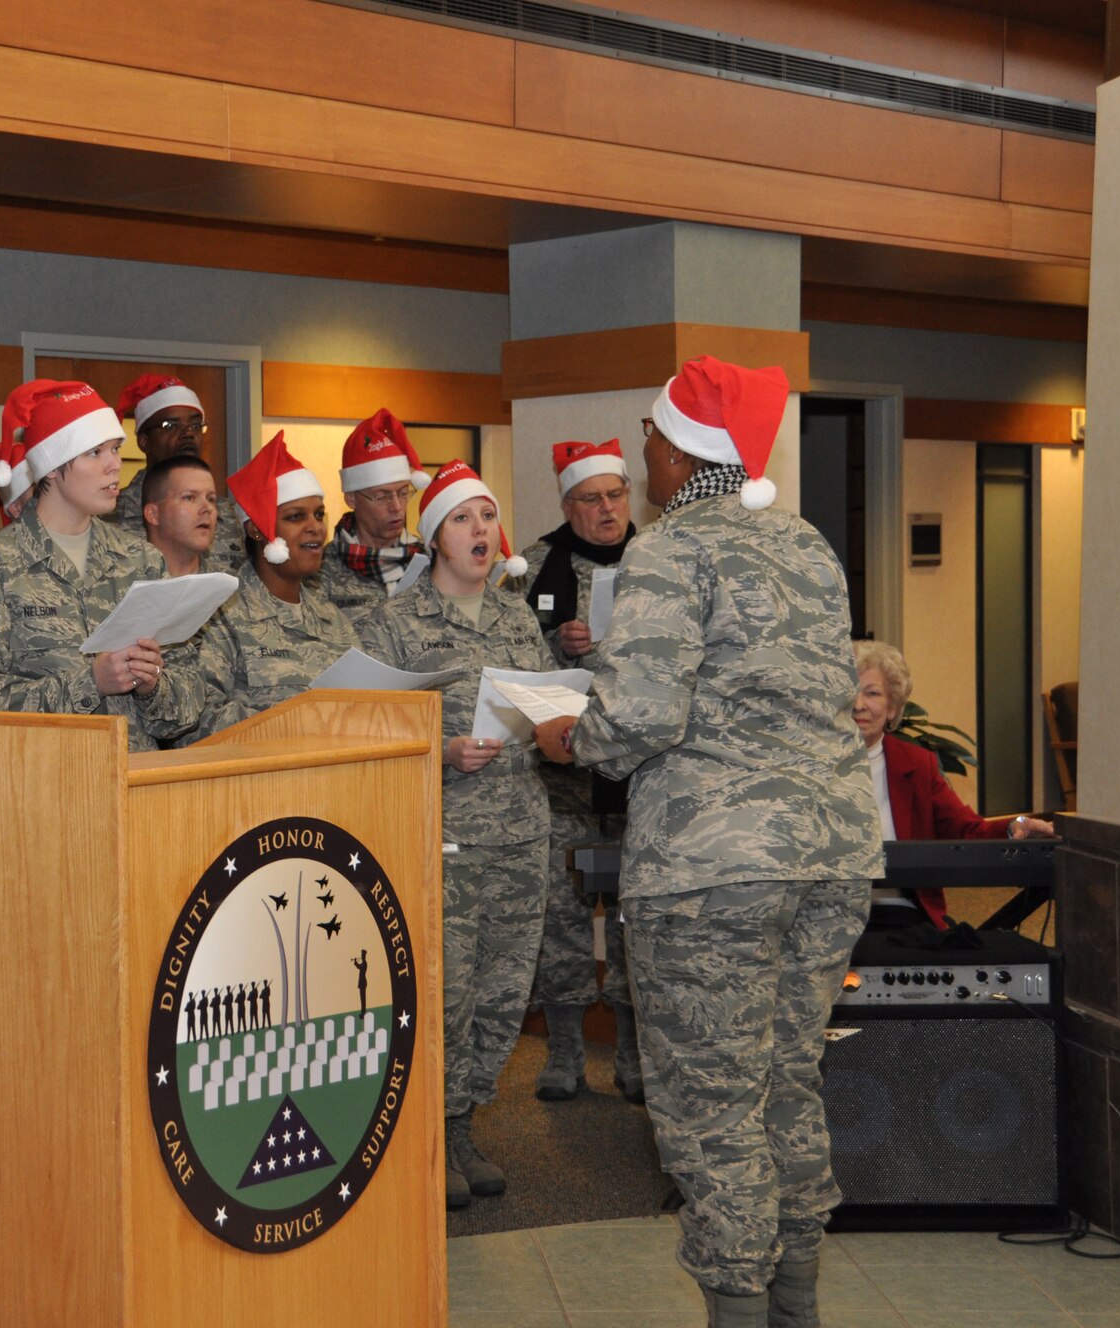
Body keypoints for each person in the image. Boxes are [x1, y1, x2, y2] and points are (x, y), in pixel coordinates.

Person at [533, 357, 883, 1328]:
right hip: (827, 853)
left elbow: (638, 713)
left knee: (708, 1099)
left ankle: (736, 1306)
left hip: (710, 865)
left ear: (678, 444)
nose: (641, 448)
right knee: (782, 1077)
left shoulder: (670, 547)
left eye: (646, 430)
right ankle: (794, 1304)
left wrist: (570, 736)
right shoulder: (806, 543)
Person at [355, 460, 547, 1210]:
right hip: (443, 834)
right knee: (444, 994)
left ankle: (464, 1119)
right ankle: (431, 1133)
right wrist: (441, 753)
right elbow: (364, 730)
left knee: (504, 993)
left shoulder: (518, 618)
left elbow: (542, 705)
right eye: (464, 518)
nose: (481, 531)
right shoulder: (390, 625)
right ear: (435, 534)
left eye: (488, 516)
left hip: (522, 831)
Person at [0, 379, 203, 752]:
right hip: (41, 792)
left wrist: (153, 684)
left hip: (135, 785)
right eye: (95, 453)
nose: (114, 466)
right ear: (50, 468)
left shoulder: (141, 561)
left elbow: (189, 701)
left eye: (115, 449)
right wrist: (90, 682)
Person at [516, 438, 643, 1103]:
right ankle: (564, 1052)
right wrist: (552, 640)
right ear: (569, 505)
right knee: (563, 921)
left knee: (630, 921)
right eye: (590, 500)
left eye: (615, 495)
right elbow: (511, 657)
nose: (606, 510)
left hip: (636, 780)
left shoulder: (659, 561)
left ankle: (629, 1054)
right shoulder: (539, 564)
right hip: (562, 779)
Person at [852, 639, 1055, 930]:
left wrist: (1015, 826)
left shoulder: (917, 764)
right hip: (826, 914)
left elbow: (968, 831)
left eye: (872, 693)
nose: (859, 705)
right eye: (850, 692)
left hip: (900, 910)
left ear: (893, 708)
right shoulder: (809, 765)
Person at [195, 434, 355, 737]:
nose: (316, 527)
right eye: (296, 517)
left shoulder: (333, 620)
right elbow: (200, 723)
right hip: (259, 781)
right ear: (256, 529)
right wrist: (295, 722)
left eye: (319, 514)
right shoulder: (220, 616)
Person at [113, 374, 246, 570]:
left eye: (195, 425)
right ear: (144, 441)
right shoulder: (111, 514)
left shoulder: (228, 513)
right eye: (171, 426)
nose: (188, 434)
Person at [317, 407, 432, 616]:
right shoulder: (321, 569)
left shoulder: (429, 561)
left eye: (403, 493)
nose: (397, 507)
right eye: (383, 496)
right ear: (352, 499)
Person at [139, 453, 220, 576]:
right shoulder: (119, 586)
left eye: (211, 499)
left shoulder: (228, 589)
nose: (207, 508)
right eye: (189, 497)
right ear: (153, 514)